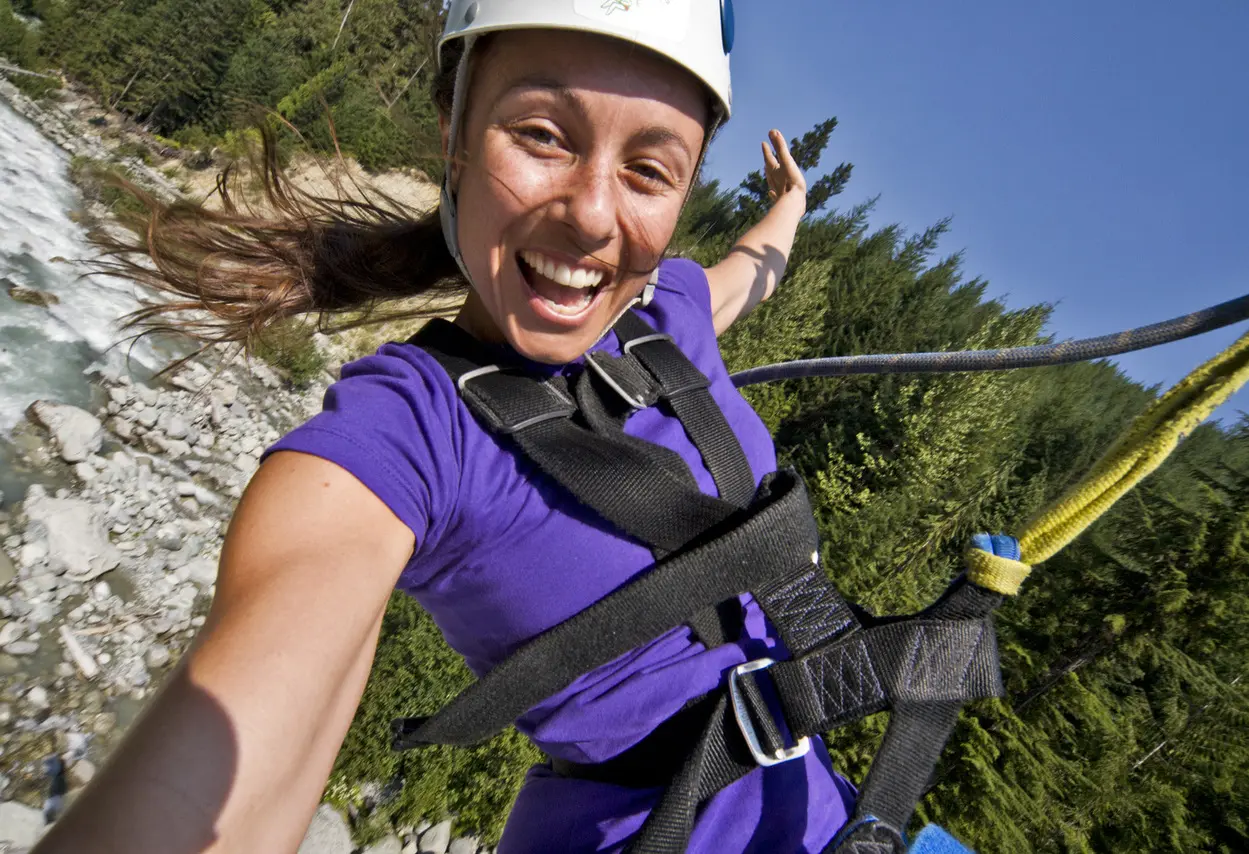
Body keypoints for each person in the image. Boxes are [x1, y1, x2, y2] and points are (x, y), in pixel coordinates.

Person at [33, 1, 857, 851]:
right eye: (542, 134)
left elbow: (748, 276)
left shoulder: (669, 313)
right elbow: (243, 759)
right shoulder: (411, 430)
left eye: (650, 171)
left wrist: (790, 205)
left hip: (838, 810)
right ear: (453, 133)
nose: (594, 217)